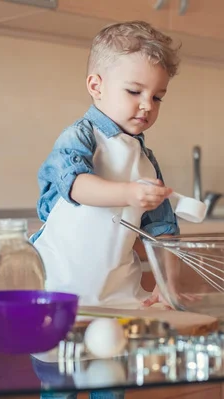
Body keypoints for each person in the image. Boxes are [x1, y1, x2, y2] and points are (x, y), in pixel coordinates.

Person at [31, 20, 181, 399]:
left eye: (158, 96)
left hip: (117, 297)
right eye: (135, 91)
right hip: (61, 292)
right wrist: (129, 192)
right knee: (60, 381)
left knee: (109, 382)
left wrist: (168, 286)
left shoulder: (146, 159)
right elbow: (75, 186)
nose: (147, 105)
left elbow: (164, 232)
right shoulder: (80, 137)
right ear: (96, 86)